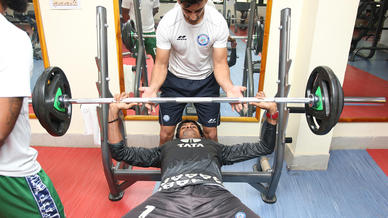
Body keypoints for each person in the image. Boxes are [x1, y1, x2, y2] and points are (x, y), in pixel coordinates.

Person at [107, 91, 278, 217]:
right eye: (183, 127)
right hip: (168, 197)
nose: (188, 126)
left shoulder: (216, 148)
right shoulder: (165, 149)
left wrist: (272, 113)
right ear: (177, 136)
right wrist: (113, 112)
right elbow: (120, 152)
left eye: (193, 126)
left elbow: (264, 147)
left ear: (202, 135)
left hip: (215, 197)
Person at [140, 0, 246, 145]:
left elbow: (220, 63)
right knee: (165, 134)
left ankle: (211, 166)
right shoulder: (168, 23)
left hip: (206, 81)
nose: (194, 17)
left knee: (211, 133)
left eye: (198, 10)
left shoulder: (217, 22)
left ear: (206, 1)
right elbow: (161, 64)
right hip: (175, 81)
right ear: (179, 2)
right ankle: (165, 167)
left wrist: (228, 87)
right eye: (188, 11)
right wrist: (153, 88)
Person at [0, 0, 65, 217]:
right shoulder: (12, 39)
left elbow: (2, 125)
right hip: (9, 177)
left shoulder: (9, 40)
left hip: (8, 175)